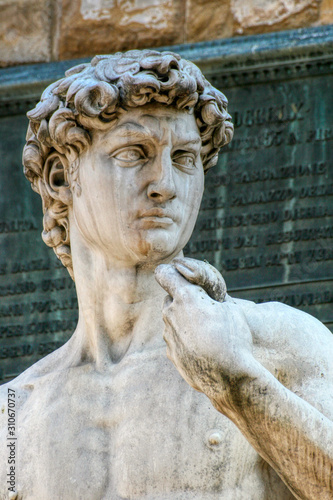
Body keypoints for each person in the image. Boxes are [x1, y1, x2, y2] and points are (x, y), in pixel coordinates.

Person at [0, 50, 332, 500]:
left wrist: (238, 381)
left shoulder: (275, 345)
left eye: (184, 158)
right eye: (134, 153)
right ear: (61, 175)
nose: (166, 184)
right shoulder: (14, 413)